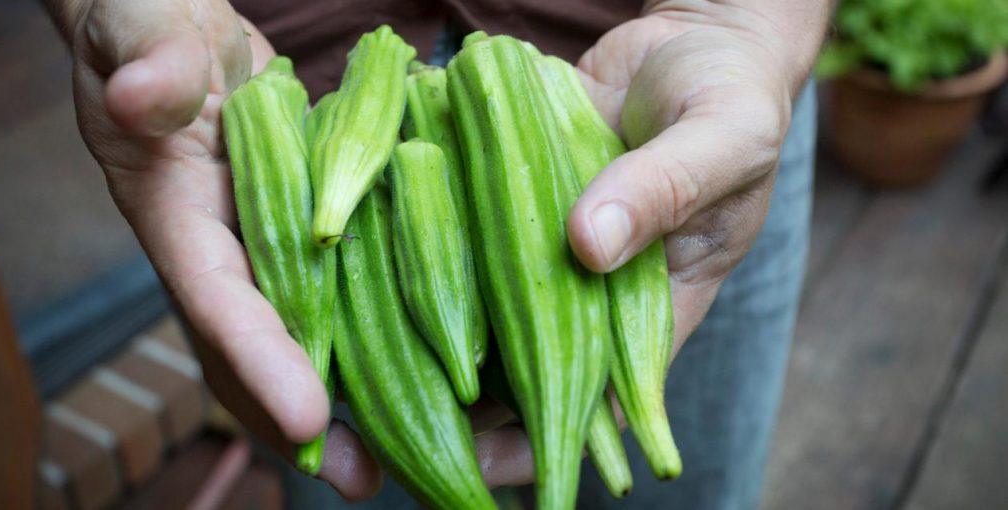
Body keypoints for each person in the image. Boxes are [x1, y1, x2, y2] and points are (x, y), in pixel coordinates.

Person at [44, 1, 830, 508]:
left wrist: (749, 23)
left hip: (646, 109)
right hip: (261, 109)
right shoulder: (291, 162)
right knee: (325, 427)